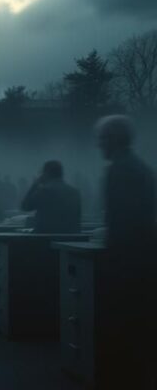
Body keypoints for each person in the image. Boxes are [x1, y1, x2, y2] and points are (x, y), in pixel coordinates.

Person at [96, 115, 156, 389]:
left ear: (114, 139)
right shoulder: (141, 168)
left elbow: (120, 221)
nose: (99, 145)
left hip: (126, 260)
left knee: (121, 328)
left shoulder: (118, 170)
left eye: (103, 139)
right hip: (143, 258)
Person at [20, 161, 81, 233]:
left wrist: (35, 184)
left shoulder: (45, 191)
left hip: (45, 239)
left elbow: (25, 206)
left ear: (46, 173)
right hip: (70, 239)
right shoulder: (75, 192)